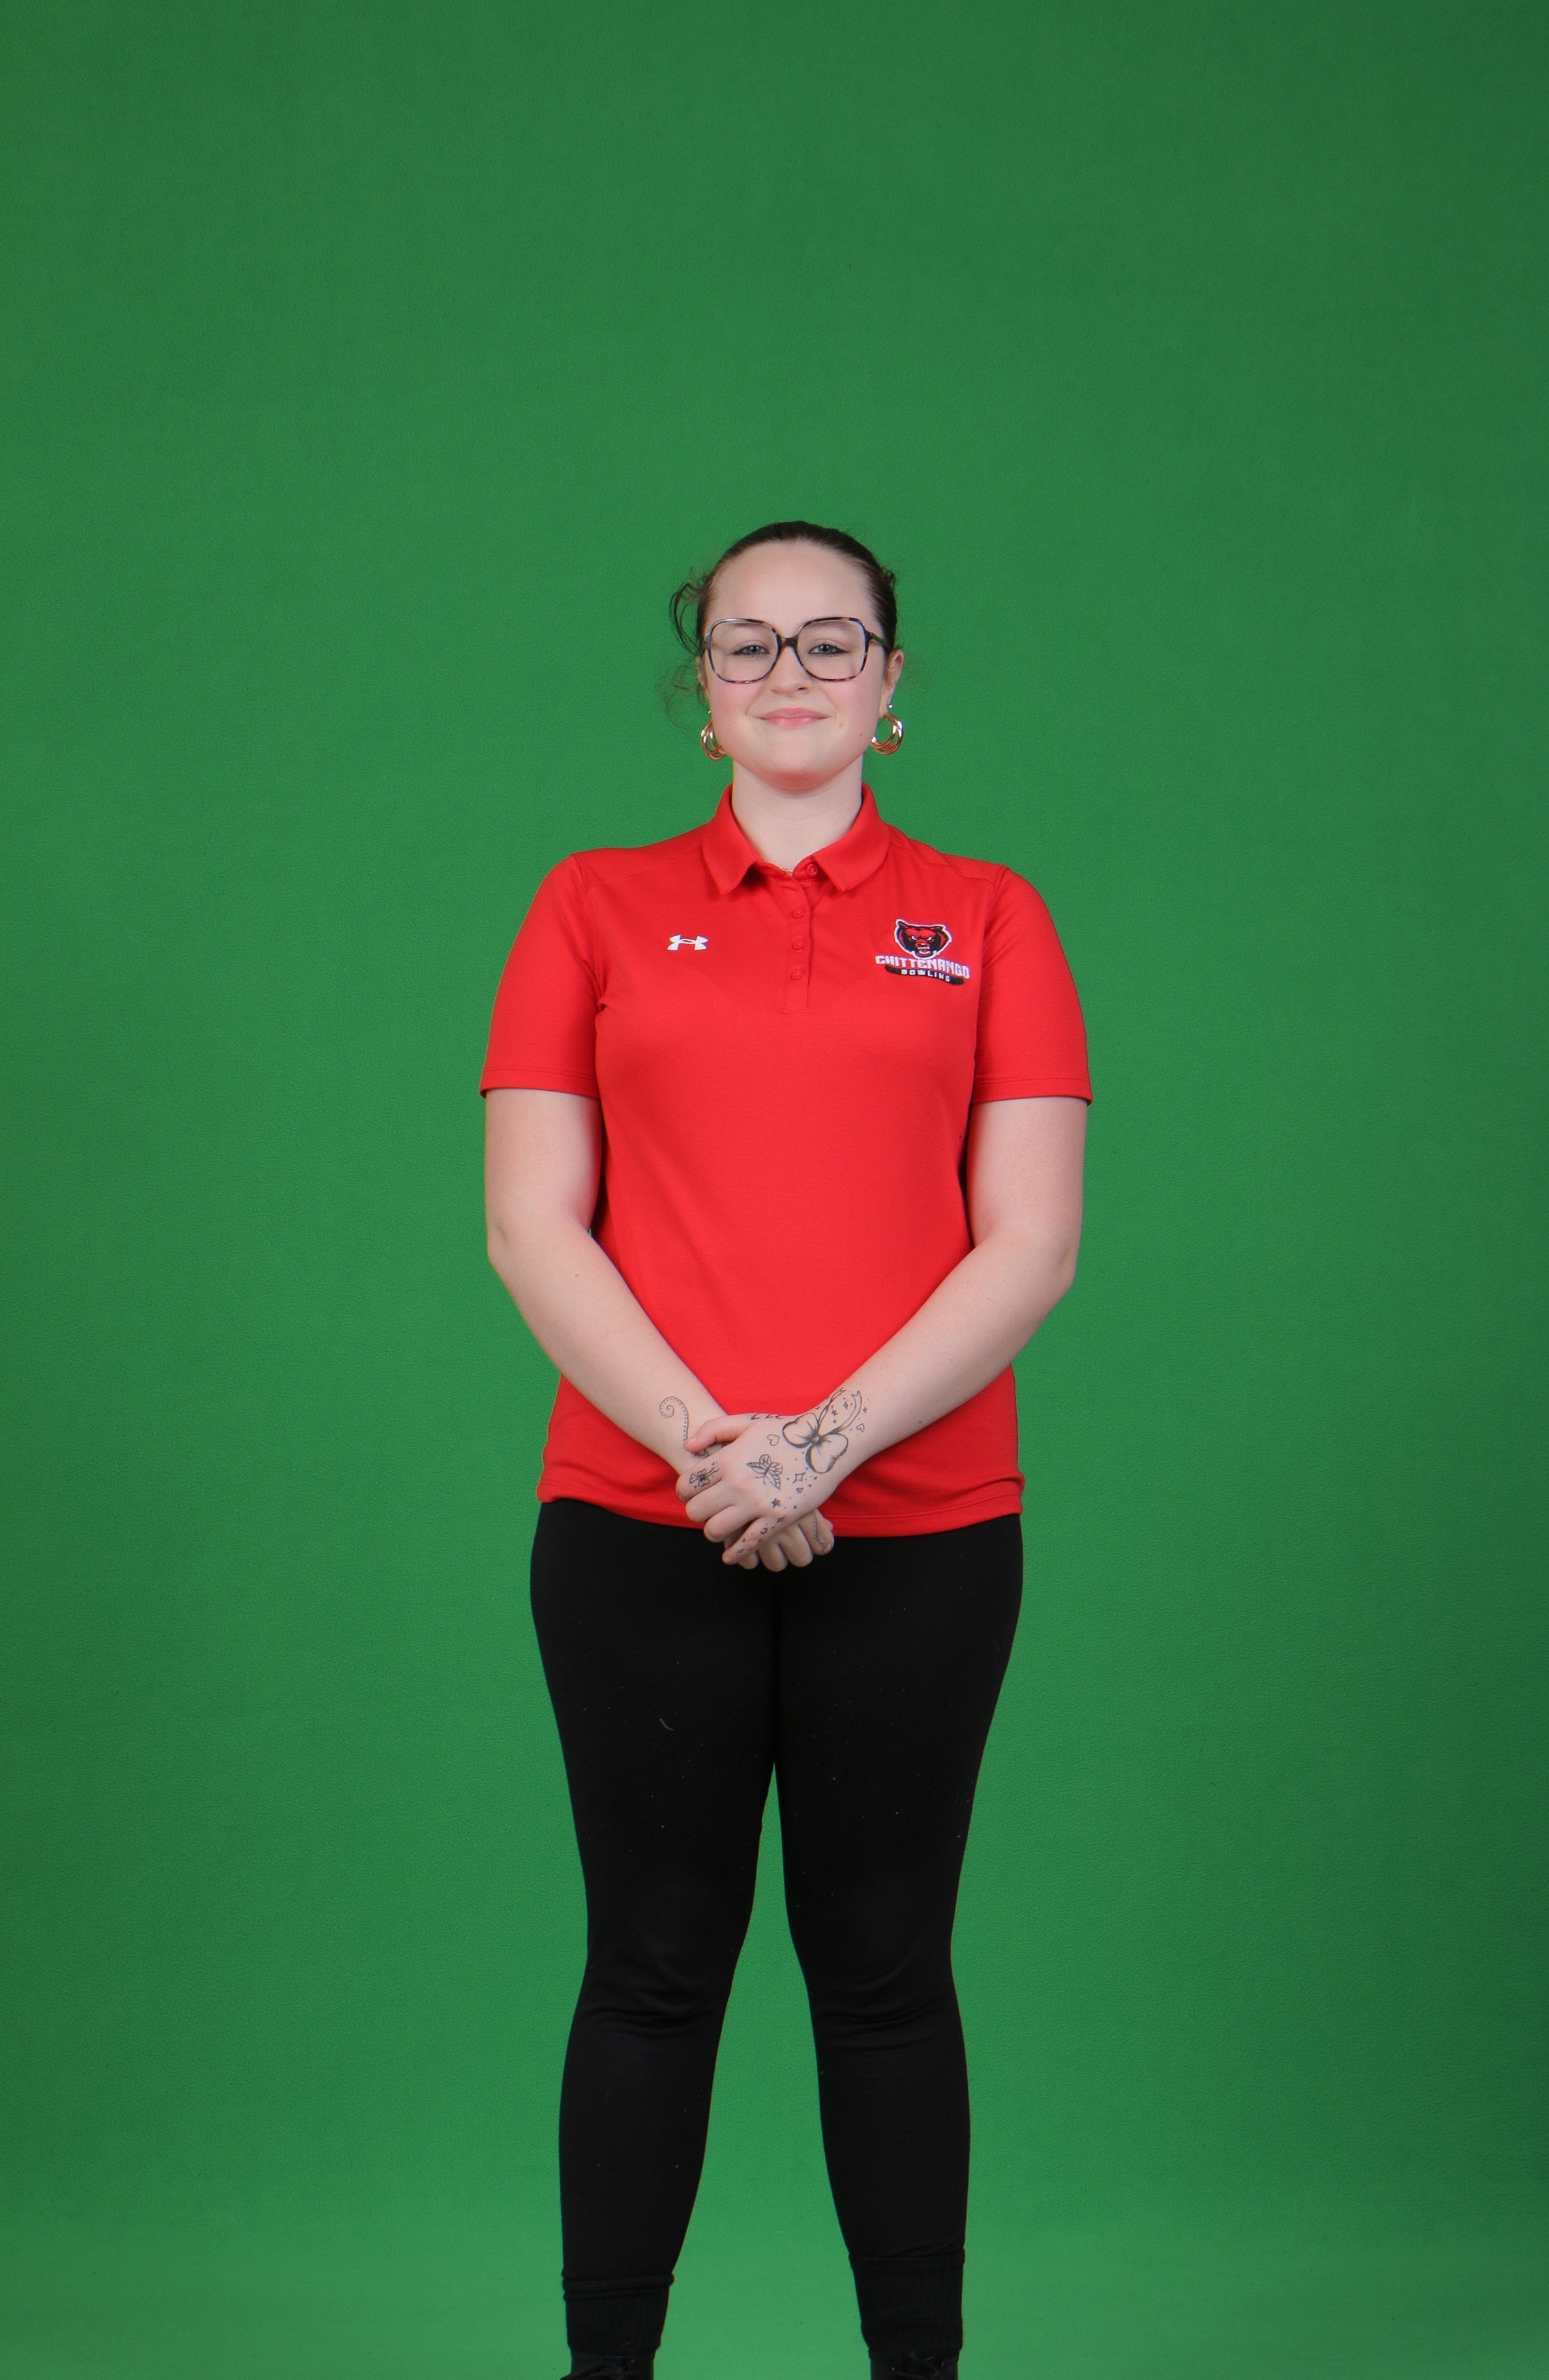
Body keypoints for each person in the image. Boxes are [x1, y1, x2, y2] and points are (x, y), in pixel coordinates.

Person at [481, 521, 1090, 2380]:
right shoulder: (588, 907)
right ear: (703, 688)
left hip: (921, 1530)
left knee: (888, 1976)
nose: (791, 675)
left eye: (834, 643)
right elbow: (531, 1224)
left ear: (891, 683)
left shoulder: (993, 917)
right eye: (747, 644)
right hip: (634, 1523)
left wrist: (817, 1448)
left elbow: (1031, 1242)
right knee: (650, 1970)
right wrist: (714, 1452)